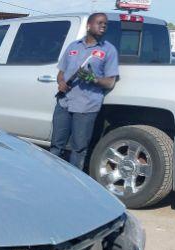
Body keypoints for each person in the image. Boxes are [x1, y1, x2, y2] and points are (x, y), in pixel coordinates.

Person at [50, 12, 119, 170]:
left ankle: (75, 181)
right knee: (56, 145)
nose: (103, 26)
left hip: (86, 106)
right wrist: (61, 83)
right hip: (64, 102)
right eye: (99, 23)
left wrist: (93, 79)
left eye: (105, 24)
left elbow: (110, 82)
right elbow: (61, 72)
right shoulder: (73, 46)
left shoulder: (109, 50)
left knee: (79, 148)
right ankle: (51, 176)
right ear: (88, 25)